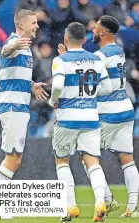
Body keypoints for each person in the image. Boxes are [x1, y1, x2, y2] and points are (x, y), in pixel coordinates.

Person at [49, 22, 112, 222]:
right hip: (91, 118)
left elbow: (58, 84)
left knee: (62, 161)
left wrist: (52, 100)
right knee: (93, 163)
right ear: (84, 40)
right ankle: (100, 202)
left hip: (67, 117)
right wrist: (89, 95)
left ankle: (70, 207)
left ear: (66, 39)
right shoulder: (96, 59)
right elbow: (107, 88)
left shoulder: (60, 59)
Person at [90, 15, 139, 218]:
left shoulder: (100, 56)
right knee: (127, 160)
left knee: (88, 157)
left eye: (95, 28)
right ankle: (132, 207)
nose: (92, 31)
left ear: (102, 32)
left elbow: (96, 87)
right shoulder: (118, 51)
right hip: (125, 109)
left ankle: (108, 200)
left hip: (108, 112)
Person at [0, 10, 48, 181]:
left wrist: (31, 85)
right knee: (12, 159)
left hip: (20, 106)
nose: (37, 26)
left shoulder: (26, 48)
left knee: (15, 159)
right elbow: (5, 52)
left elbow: (14, 72)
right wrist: (14, 45)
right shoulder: (14, 42)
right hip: (12, 106)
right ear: (21, 25)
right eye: (33, 23)